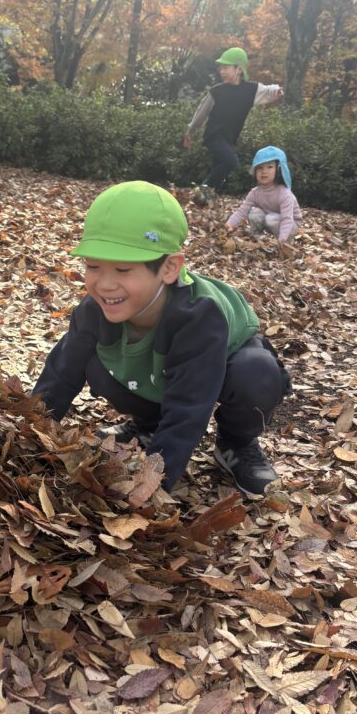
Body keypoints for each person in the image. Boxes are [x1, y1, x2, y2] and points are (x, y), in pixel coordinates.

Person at [33, 181, 291, 498]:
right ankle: (148, 423)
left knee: (256, 374)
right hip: (157, 369)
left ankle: (235, 443)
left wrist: (155, 482)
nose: (104, 284)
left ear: (169, 268)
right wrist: (32, 432)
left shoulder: (197, 316)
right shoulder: (94, 310)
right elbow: (62, 373)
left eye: (123, 269)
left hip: (225, 361)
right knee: (88, 357)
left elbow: (189, 407)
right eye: (93, 266)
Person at [181, 47, 283, 207]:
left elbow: (267, 90)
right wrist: (190, 132)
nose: (222, 72)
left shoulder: (250, 90)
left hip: (229, 138)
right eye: (221, 68)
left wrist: (276, 90)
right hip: (214, 136)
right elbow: (201, 114)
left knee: (218, 169)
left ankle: (207, 201)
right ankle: (201, 193)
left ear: (239, 69)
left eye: (226, 68)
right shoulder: (217, 91)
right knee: (231, 162)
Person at [226, 146, 302, 246]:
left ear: (279, 170)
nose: (264, 171)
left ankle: (286, 241)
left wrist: (283, 239)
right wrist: (230, 224)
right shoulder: (255, 192)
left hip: (290, 223)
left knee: (271, 219)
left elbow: (287, 219)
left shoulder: (284, 193)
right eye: (260, 167)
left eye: (269, 167)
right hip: (269, 217)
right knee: (254, 213)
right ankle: (257, 238)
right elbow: (242, 210)